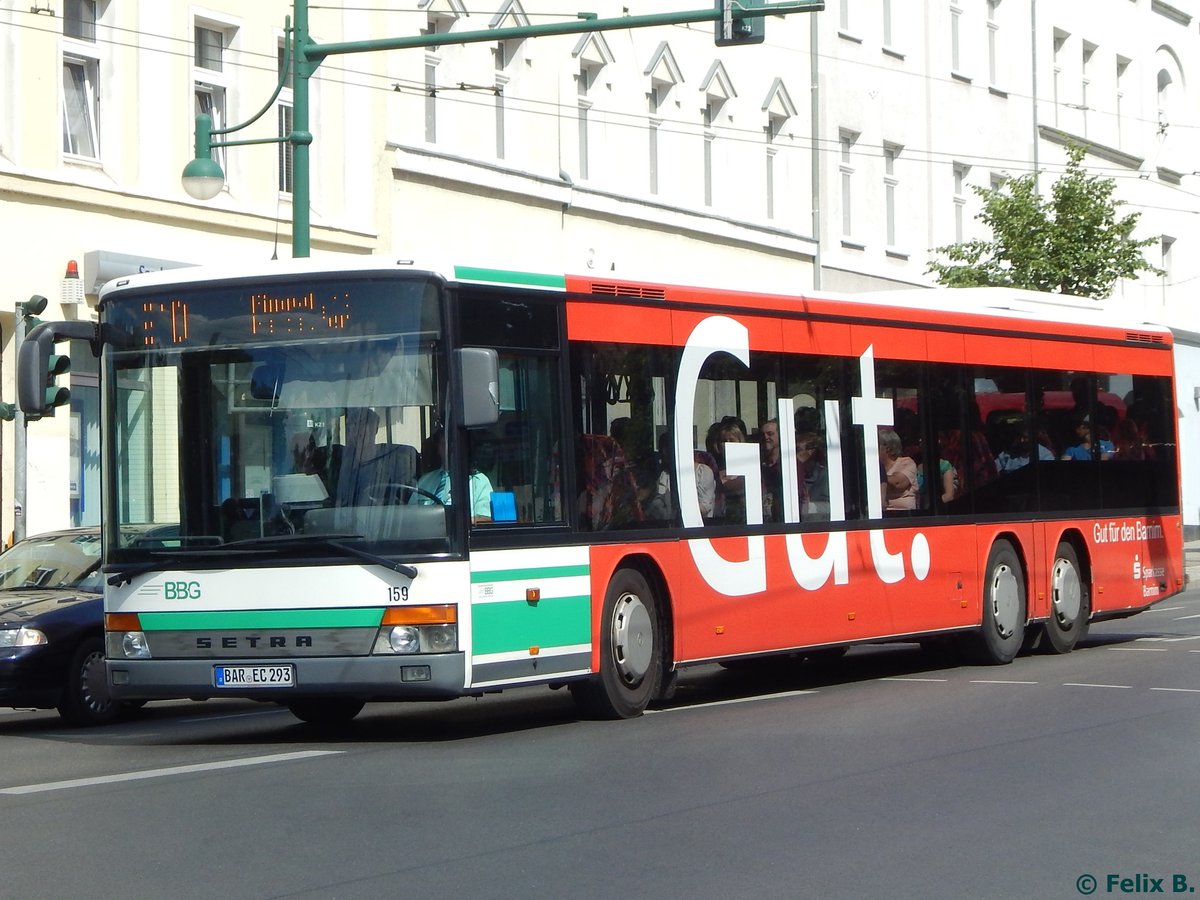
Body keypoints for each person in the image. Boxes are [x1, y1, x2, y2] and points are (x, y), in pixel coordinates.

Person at [411, 430, 494, 523]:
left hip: (461, 535)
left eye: (454, 444)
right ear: (439, 448)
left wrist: (453, 523)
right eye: (445, 443)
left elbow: (486, 520)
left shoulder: (479, 481)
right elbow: (409, 516)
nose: (450, 449)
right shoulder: (424, 481)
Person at [879, 427, 918, 510]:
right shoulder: (874, 466)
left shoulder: (907, 463)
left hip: (903, 516)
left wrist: (876, 474)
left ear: (887, 448)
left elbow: (897, 483)